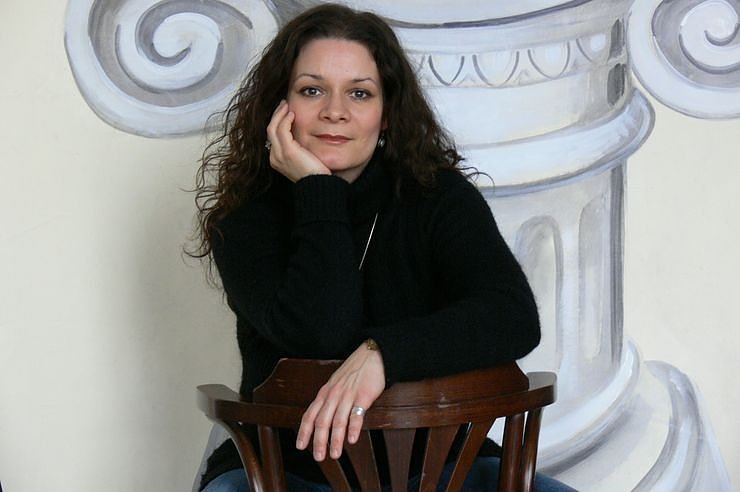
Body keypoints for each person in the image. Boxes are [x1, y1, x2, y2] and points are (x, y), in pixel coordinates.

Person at [191, 4, 576, 491]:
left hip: (445, 471)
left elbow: (513, 316)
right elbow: (320, 335)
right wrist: (318, 190)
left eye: (360, 93)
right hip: (290, 475)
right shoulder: (245, 222)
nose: (335, 111)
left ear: (387, 113)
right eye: (312, 90)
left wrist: (384, 354)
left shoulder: (439, 198)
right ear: (279, 107)